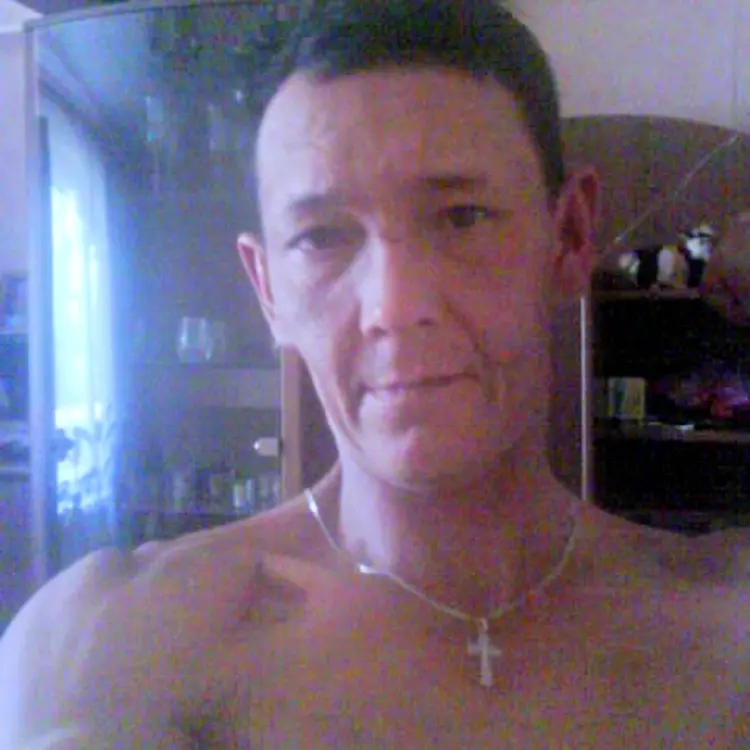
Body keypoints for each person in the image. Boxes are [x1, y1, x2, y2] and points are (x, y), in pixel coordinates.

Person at [2, 1, 749, 747]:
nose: (393, 307)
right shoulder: (115, 645)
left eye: (461, 216)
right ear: (268, 290)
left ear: (570, 238)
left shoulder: (723, 631)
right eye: (321, 237)